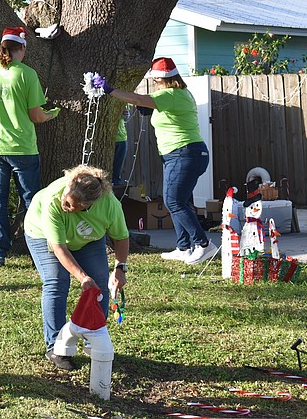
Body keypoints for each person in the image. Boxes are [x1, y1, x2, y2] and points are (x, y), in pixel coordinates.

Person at [97, 57, 215, 264]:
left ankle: (204, 245)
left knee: (173, 201)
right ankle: (184, 247)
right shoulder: (179, 94)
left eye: (156, 81)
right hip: (184, 154)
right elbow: (153, 107)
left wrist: (109, 90)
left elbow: (139, 100)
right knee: (182, 201)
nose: (154, 84)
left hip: (184, 154)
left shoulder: (171, 94)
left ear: (163, 80)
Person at [24, 164, 129, 370]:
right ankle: (55, 346)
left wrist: (120, 268)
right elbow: (59, 248)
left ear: (88, 206)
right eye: (66, 200)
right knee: (57, 282)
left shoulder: (109, 205)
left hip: (89, 239)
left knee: (98, 281)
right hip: (42, 234)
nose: (66, 206)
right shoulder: (54, 200)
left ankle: (94, 338)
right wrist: (82, 276)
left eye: (72, 206)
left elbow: (121, 237)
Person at [0, 26, 59, 268]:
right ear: (22, 47)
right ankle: (39, 252)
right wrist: (52, 114)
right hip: (22, 148)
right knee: (32, 201)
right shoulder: (27, 74)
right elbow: (36, 116)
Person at [112, 105, 129, 185]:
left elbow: (125, 116)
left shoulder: (123, 98)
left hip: (121, 138)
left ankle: (116, 193)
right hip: (107, 137)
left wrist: (125, 114)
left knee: (116, 173)